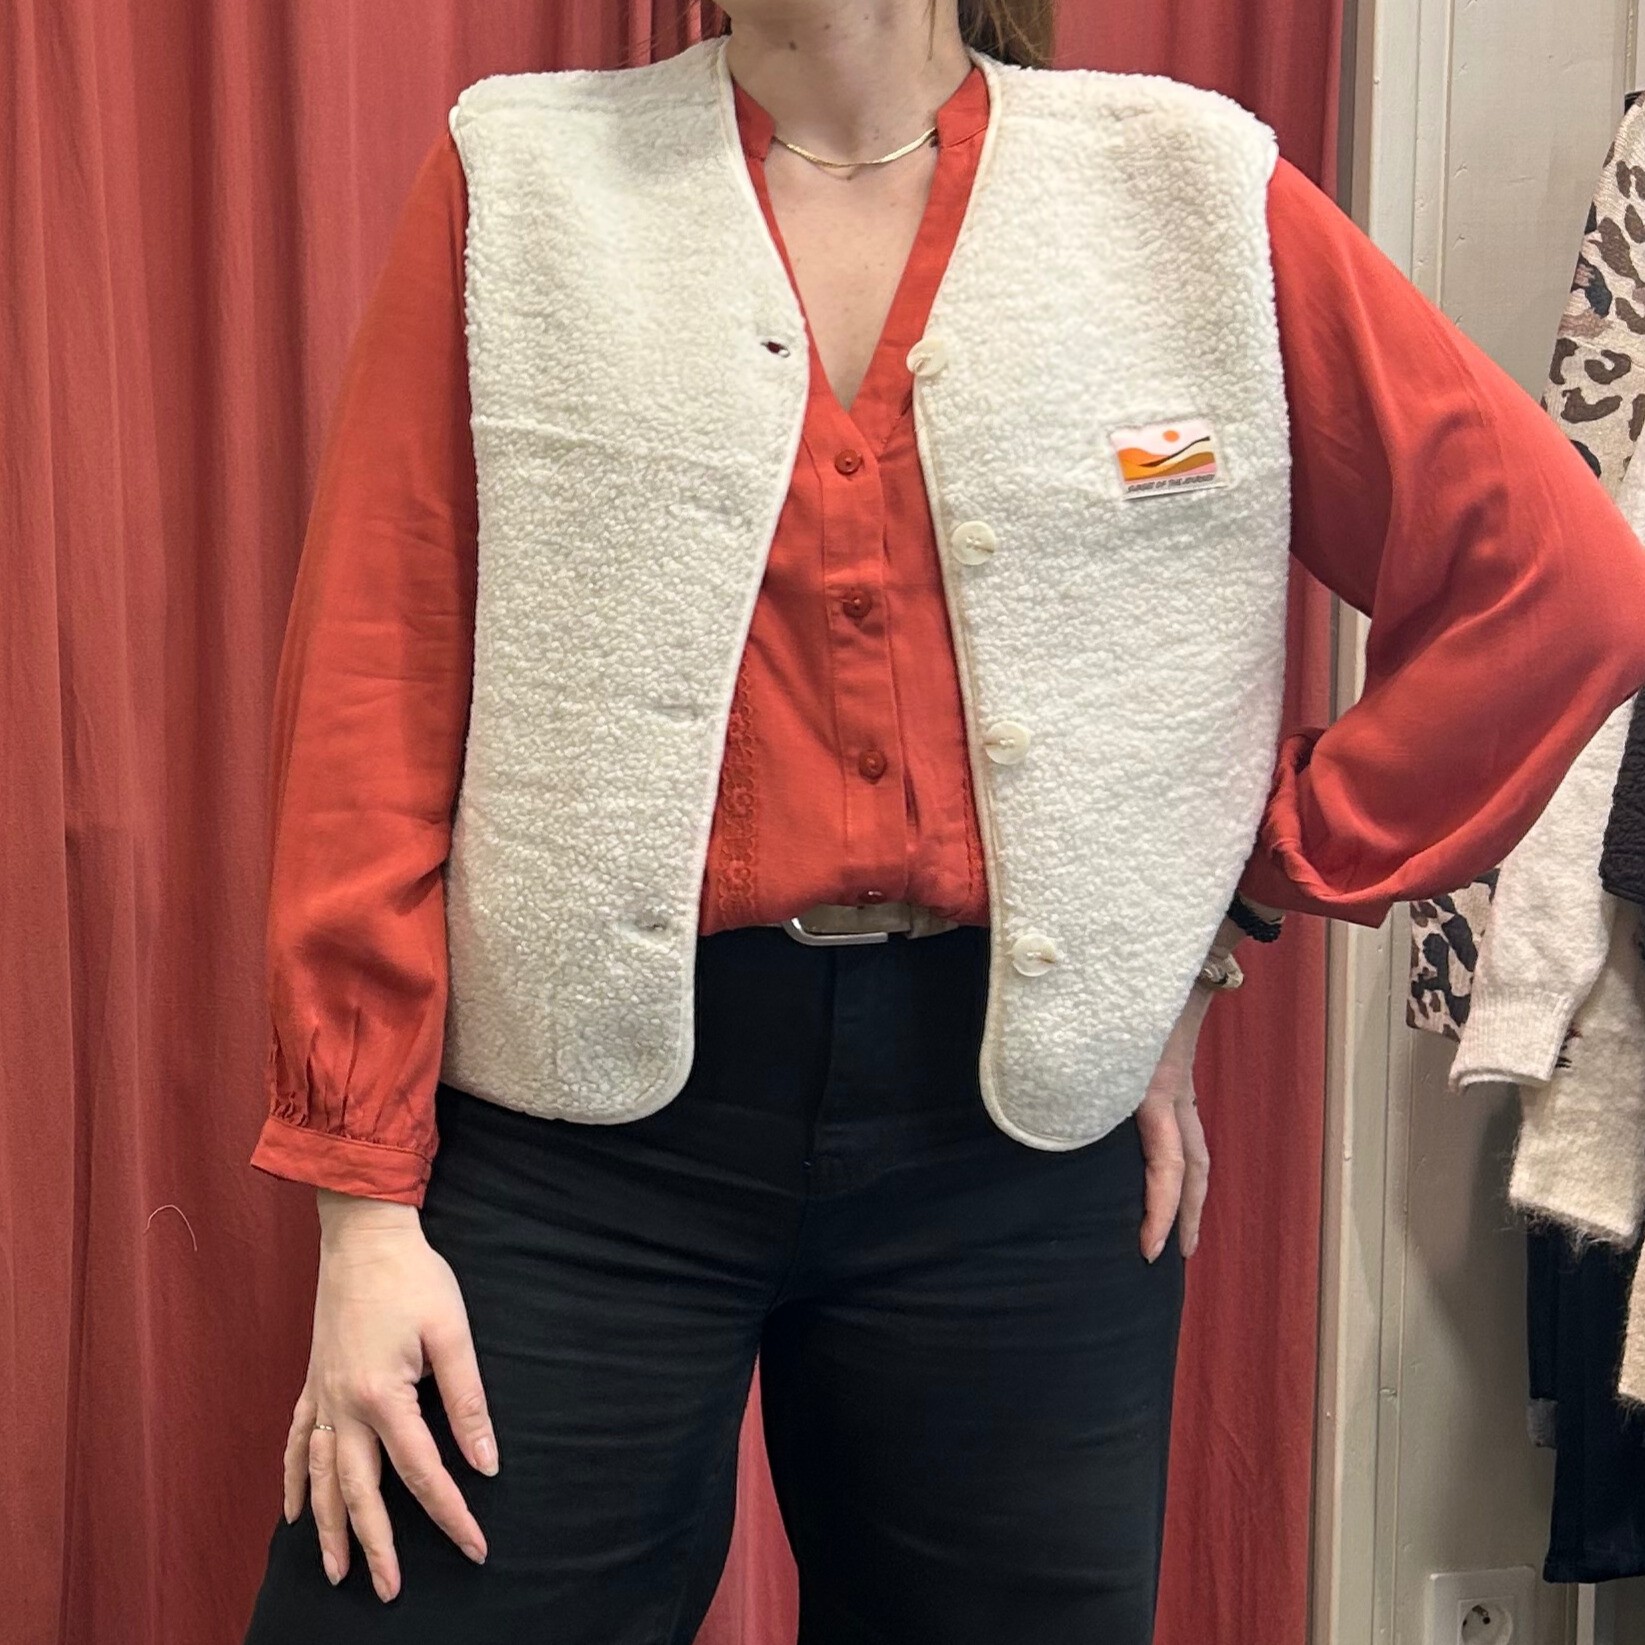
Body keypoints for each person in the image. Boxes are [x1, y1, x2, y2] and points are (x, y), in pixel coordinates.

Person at [240, 2, 1645, 1640]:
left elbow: (1555, 591)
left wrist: (1214, 898)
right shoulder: (518, 178)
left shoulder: (1186, 189)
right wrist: (363, 1210)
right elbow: (378, 683)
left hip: (1019, 1155)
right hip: (569, 1151)